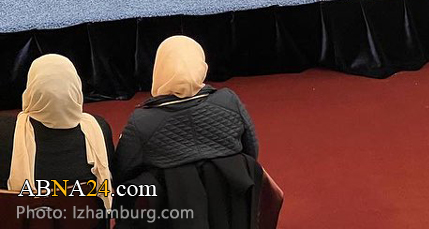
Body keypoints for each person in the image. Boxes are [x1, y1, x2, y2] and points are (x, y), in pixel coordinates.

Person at [114, 36, 258, 188]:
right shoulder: (229, 101)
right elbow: (251, 151)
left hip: (173, 202)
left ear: (159, 69)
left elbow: (121, 173)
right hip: (234, 198)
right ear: (201, 66)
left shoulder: (141, 122)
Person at [0, 54, 114, 213]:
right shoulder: (98, 129)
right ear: (76, 88)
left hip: (24, 220)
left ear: (31, 89)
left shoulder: (5, 132)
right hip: (84, 220)